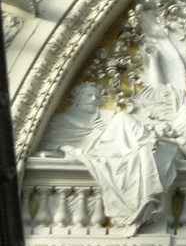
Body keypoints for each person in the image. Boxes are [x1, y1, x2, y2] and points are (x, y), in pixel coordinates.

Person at [38, 83, 177, 229]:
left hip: (112, 148)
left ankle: (149, 141)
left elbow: (133, 123)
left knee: (122, 117)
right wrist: (61, 147)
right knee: (123, 121)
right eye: (89, 95)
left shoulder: (107, 118)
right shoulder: (59, 121)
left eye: (97, 97)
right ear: (77, 98)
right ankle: (148, 141)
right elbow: (44, 144)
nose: (94, 99)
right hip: (97, 151)